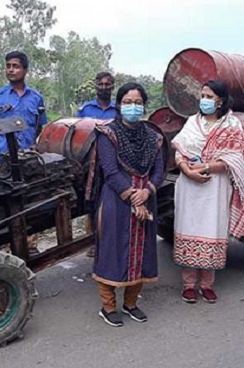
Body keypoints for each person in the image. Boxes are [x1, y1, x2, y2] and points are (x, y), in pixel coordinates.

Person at [171, 80, 244, 304]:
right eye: (203, 95)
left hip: (215, 186)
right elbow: (179, 150)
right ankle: (188, 285)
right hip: (189, 186)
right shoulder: (192, 122)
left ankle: (207, 285)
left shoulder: (231, 125)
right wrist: (186, 169)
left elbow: (235, 160)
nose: (204, 100)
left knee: (212, 229)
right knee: (187, 227)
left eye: (209, 96)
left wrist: (206, 167)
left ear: (221, 100)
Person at [91, 82, 165, 327]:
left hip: (146, 200)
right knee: (112, 252)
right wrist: (134, 196)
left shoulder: (154, 137)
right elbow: (110, 171)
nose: (133, 107)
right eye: (127, 102)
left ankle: (131, 304)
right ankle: (108, 306)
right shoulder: (107, 134)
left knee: (141, 252)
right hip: (116, 200)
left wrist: (147, 192)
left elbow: (159, 171)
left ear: (144, 106)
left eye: (138, 103)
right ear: (119, 105)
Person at [77, 72, 116, 257]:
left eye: (108, 84)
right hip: (90, 164)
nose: (104, 87)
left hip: (113, 162)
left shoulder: (119, 110)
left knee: (111, 202)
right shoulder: (85, 109)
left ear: (113, 87)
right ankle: (93, 241)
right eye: (100, 84)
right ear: (95, 86)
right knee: (91, 201)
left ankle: (110, 240)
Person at [0, 51, 47, 164]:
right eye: (8, 66)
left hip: (29, 158)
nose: (11, 70)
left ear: (25, 70)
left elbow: (38, 125)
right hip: (4, 160)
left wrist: (31, 142)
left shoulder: (36, 98)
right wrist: (1, 142)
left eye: (16, 66)